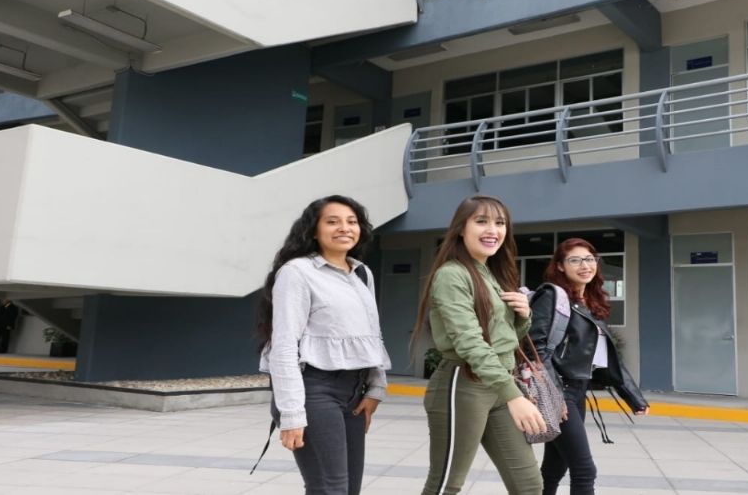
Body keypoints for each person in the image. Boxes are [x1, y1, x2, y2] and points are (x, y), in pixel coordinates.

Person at [256, 195, 391, 495]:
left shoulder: (361, 273)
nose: (344, 228)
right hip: (313, 390)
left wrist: (375, 388)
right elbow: (284, 345)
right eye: (332, 222)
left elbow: (373, 334)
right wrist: (291, 414)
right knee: (330, 489)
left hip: (354, 393)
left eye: (352, 221)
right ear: (314, 231)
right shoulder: (297, 272)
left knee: (349, 489)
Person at [412, 195, 545, 495]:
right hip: (464, 383)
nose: (493, 230)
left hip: (498, 385)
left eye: (500, 223)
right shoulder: (452, 274)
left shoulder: (492, 273)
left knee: (529, 485)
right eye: (481, 221)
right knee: (447, 483)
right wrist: (514, 396)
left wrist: (524, 315)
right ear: (461, 228)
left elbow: (505, 337)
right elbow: (470, 343)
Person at [529, 238, 650, 495]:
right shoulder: (552, 296)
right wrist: (555, 396)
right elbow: (536, 348)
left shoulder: (590, 303)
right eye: (575, 260)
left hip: (578, 392)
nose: (585, 265)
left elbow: (607, 358)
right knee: (584, 470)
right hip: (560, 393)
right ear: (560, 266)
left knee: (554, 467)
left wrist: (633, 397)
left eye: (589, 259)